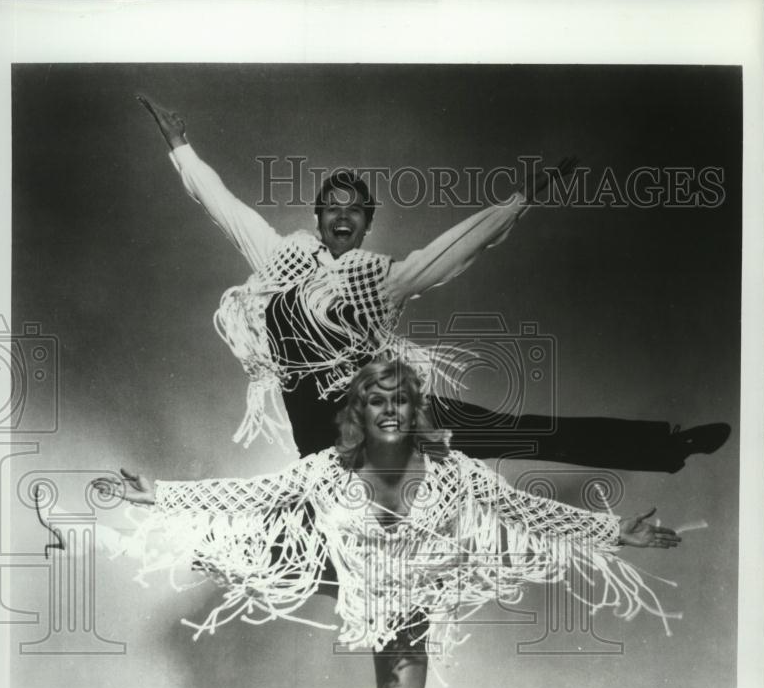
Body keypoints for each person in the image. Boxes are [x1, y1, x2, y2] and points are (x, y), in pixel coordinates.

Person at [90, 359, 681, 688]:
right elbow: (254, 492)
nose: (391, 410)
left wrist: (614, 530)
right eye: (377, 400)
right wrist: (161, 493)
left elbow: (525, 510)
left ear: (415, 409)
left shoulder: (455, 472)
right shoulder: (325, 467)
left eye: (401, 400)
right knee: (236, 551)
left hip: (401, 597)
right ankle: (106, 538)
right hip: (334, 563)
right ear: (359, 412)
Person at [135, 94, 729, 472]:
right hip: (323, 431)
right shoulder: (278, 258)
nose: (342, 217)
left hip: (392, 409)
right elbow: (226, 207)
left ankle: (666, 445)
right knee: (325, 509)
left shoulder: (382, 279)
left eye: (356, 211)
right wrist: (181, 147)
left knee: (516, 433)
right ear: (317, 216)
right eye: (332, 208)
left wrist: (522, 200)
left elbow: (461, 244)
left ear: (367, 223)